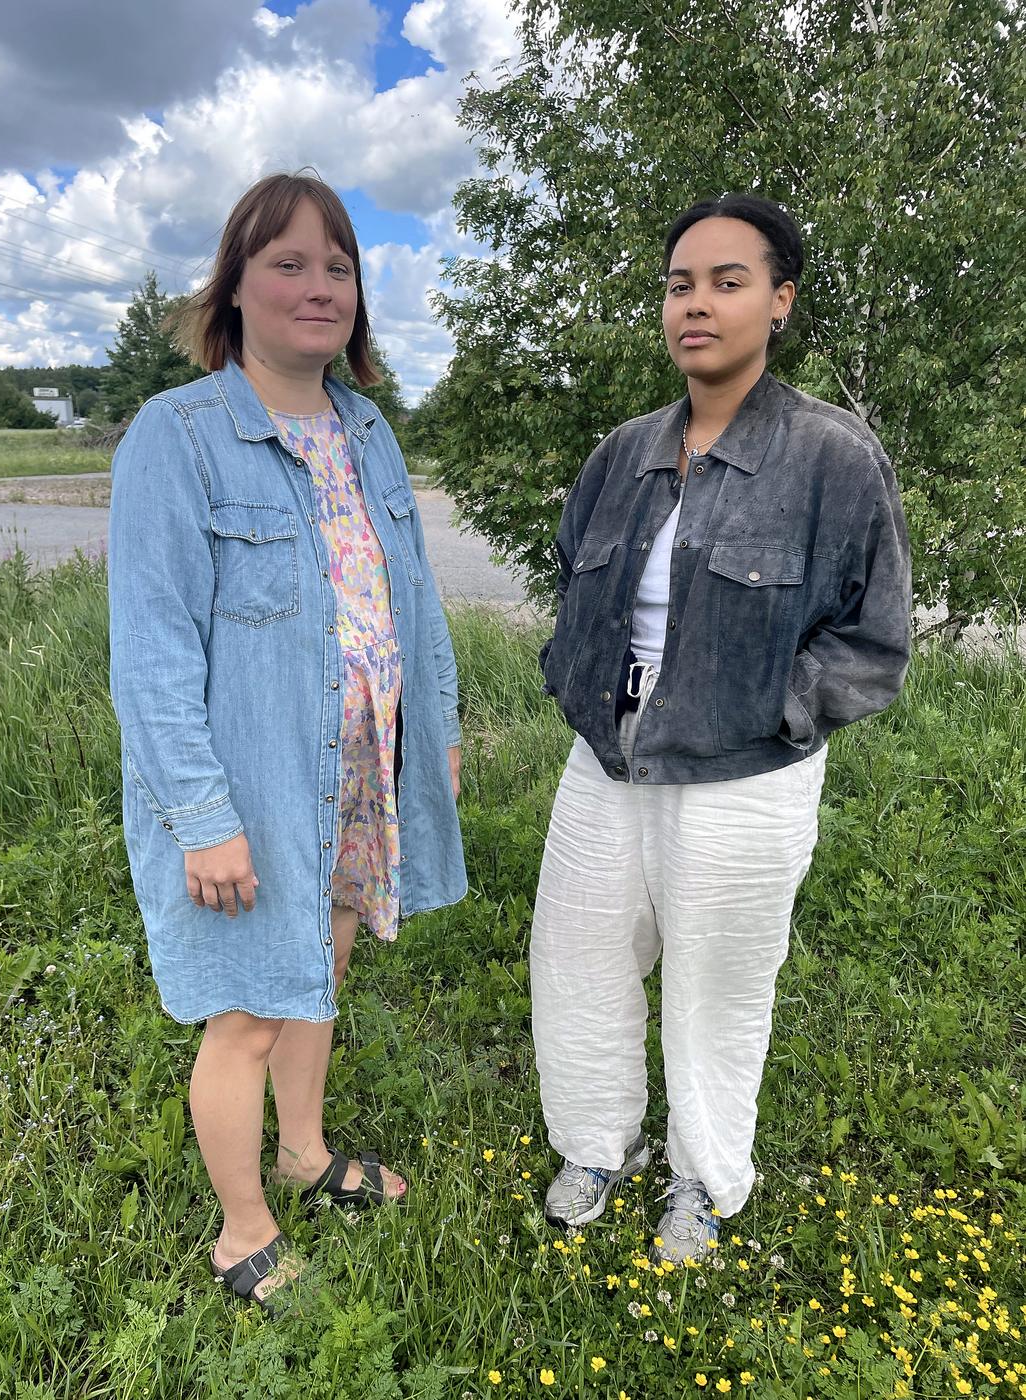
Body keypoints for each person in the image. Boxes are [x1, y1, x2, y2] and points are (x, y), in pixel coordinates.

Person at [108, 172, 466, 1312]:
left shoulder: (367, 430)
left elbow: (416, 602)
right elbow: (151, 652)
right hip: (253, 778)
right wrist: (202, 819)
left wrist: (436, 737)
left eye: (339, 266)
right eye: (288, 264)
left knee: (323, 965)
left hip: (363, 759)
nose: (319, 287)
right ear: (236, 289)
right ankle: (242, 1229)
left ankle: (306, 1155)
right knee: (251, 1005)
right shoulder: (179, 437)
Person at [531, 194, 911, 1261]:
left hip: (746, 774)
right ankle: (598, 1141)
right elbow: (573, 582)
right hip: (607, 759)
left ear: (779, 300)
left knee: (719, 981)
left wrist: (773, 714)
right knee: (579, 956)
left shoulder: (834, 457)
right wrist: (577, 681)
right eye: (679, 283)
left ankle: (701, 1176)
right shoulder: (623, 454)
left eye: (727, 281)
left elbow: (872, 638)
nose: (696, 304)